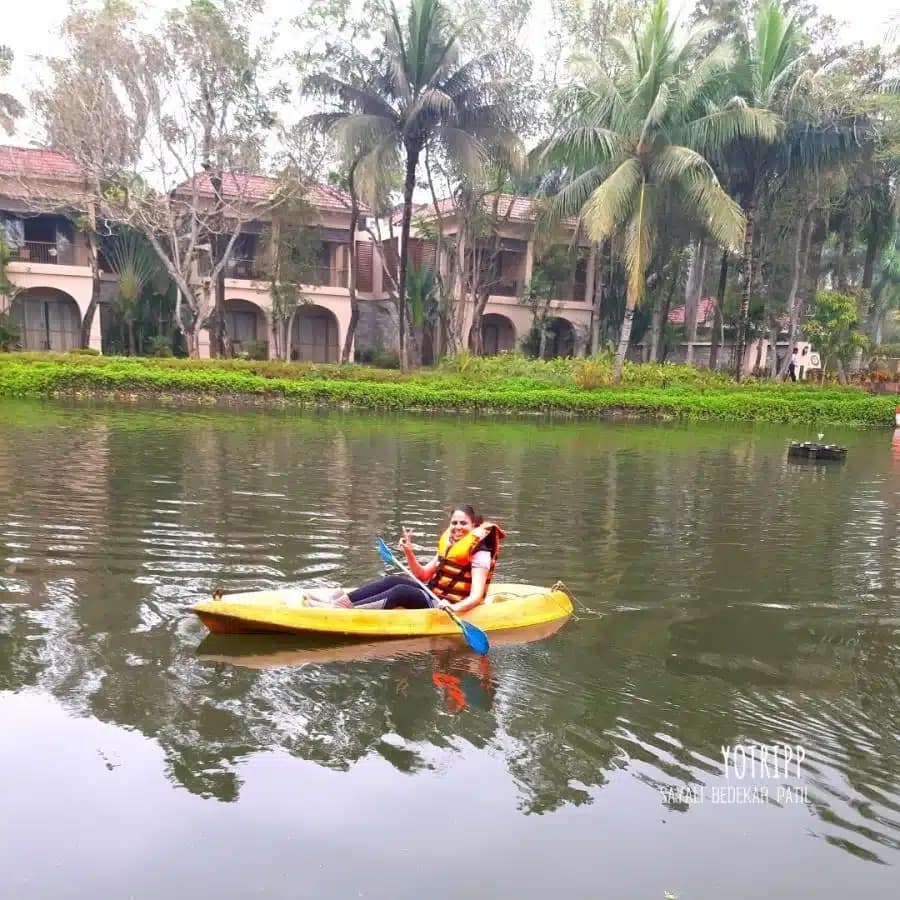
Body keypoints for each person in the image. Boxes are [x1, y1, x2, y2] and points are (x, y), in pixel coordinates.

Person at [333, 506, 506, 612]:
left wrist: (454, 607)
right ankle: (344, 601)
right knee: (392, 580)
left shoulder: (480, 553)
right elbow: (422, 575)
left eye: (463, 523)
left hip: (447, 603)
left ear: (473, 526)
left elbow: (476, 597)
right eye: (454, 523)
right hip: (433, 593)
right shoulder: (450, 545)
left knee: (401, 591)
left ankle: (350, 612)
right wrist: (409, 552)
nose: (457, 527)